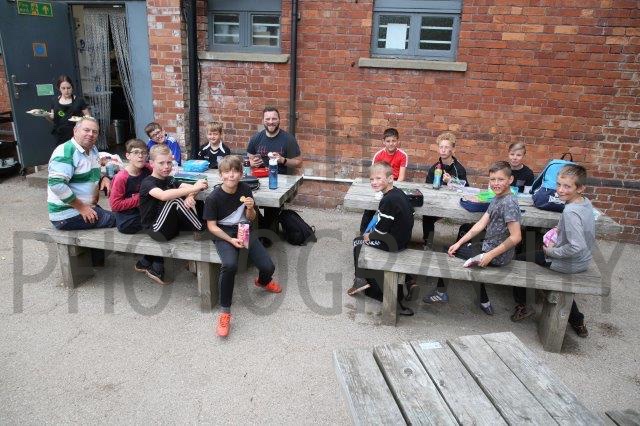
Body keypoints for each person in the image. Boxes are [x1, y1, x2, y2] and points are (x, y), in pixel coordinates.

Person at [424, 161, 522, 315]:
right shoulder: (498, 197)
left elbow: (516, 237)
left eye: (500, 179)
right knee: (461, 247)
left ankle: (441, 292)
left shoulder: (509, 202)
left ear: (510, 180)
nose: (496, 183)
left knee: (446, 252)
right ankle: (484, 301)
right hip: (489, 248)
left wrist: (489, 255)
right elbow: (481, 224)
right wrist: (459, 243)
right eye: (493, 179)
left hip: (497, 255)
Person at [203, 156, 281, 337]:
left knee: (268, 267)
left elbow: (251, 218)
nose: (231, 175)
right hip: (223, 233)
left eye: (235, 171)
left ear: (241, 174)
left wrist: (251, 208)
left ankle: (263, 281)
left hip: (243, 229)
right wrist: (230, 240)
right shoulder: (213, 198)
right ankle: (225, 312)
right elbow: (211, 227)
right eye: (227, 172)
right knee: (229, 265)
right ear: (221, 175)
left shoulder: (245, 189)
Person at [511, 164, 592, 337]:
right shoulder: (584, 202)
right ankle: (577, 320)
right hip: (582, 260)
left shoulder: (570, 212)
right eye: (559, 184)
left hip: (566, 262)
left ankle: (523, 305)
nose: (560, 190)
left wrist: (551, 252)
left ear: (580, 188)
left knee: (518, 261)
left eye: (567, 186)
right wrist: (560, 229)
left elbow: (576, 246)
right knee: (537, 262)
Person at [347, 162, 415, 316]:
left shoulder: (388, 200)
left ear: (390, 178)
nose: (374, 182)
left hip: (393, 243)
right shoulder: (398, 193)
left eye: (378, 178)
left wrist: (368, 236)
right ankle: (366, 279)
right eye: (371, 179)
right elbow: (410, 214)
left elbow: (381, 231)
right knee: (363, 239)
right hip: (403, 239)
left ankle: (360, 279)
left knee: (358, 242)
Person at [47, 117, 114, 265]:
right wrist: (82, 208)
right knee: (118, 219)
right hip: (67, 214)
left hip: (82, 208)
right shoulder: (66, 151)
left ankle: (96, 261)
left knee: (105, 216)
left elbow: (89, 171)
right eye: (86, 130)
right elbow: (57, 185)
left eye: (94, 132)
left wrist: (103, 178)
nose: (90, 134)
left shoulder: (92, 149)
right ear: (75, 131)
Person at [138, 144, 208, 285]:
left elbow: (191, 188)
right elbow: (163, 196)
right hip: (155, 230)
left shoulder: (170, 179)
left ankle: (206, 227)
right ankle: (203, 228)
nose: (166, 166)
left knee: (196, 202)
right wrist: (194, 188)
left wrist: (191, 195)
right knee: (174, 200)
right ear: (151, 163)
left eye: (169, 162)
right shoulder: (148, 182)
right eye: (161, 163)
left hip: (170, 227)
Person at [246, 106, 303, 245]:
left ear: (279, 120)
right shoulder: (256, 138)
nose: (271, 122)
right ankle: (261, 230)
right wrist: (252, 162)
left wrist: (282, 160)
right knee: (247, 200)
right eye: (268, 119)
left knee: (271, 204)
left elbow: (299, 162)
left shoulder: (288, 139)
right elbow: (249, 157)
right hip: (259, 179)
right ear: (263, 120)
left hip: (280, 181)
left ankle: (266, 236)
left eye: (274, 119)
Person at [108, 139, 154, 272]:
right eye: (136, 152)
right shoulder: (121, 177)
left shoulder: (147, 169)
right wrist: (141, 198)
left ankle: (150, 261)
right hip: (127, 220)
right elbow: (115, 205)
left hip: (142, 213)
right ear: (127, 155)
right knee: (160, 223)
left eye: (144, 153)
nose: (140, 156)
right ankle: (150, 261)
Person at [422, 132, 468, 247]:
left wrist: (451, 181)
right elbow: (427, 187)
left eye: (446, 147)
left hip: (455, 204)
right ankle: (428, 243)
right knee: (427, 215)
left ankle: (459, 246)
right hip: (437, 202)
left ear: (453, 149)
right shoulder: (434, 168)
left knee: (468, 221)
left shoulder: (459, 169)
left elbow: (466, 189)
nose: (443, 150)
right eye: (441, 147)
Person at [360, 127, 408, 233]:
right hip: (380, 183)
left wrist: (391, 189)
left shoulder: (403, 155)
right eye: (388, 141)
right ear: (383, 142)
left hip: (394, 185)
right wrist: (379, 187)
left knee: (391, 208)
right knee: (370, 208)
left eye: (394, 141)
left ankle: (388, 231)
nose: (391, 144)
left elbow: (401, 177)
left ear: (398, 141)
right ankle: (363, 232)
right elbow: (374, 175)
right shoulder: (378, 155)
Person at [48, 75, 90, 145]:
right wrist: (45, 115)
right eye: (63, 88)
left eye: (68, 88)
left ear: (72, 87)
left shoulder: (79, 100)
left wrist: (82, 120)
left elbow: (88, 117)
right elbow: (53, 119)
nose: (66, 91)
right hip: (60, 135)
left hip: (76, 134)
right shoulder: (54, 101)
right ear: (59, 88)